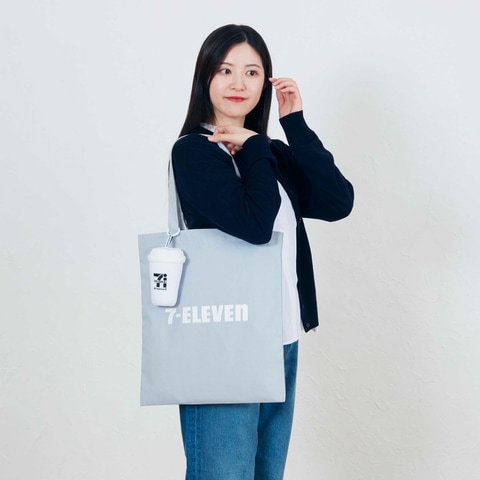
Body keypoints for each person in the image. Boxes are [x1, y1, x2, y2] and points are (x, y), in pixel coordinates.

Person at [171, 24, 354, 480]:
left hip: (281, 339)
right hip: (224, 343)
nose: (239, 83)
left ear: (265, 83)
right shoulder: (194, 152)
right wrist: (252, 146)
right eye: (225, 70)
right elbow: (255, 225)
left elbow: (337, 202)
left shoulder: (266, 151)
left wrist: (295, 126)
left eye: (252, 72)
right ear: (205, 78)